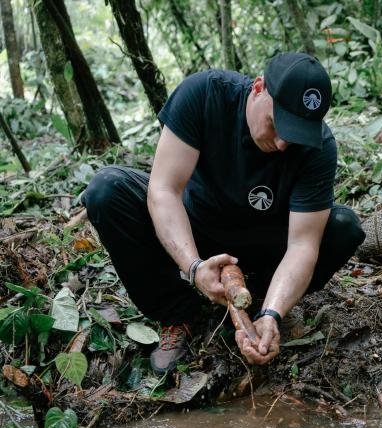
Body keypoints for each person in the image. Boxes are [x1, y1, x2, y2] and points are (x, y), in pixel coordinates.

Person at [82, 53, 365, 373]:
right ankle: (179, 314)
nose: (284, 143)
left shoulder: (319, 147)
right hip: (198, 226)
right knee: (106, 190)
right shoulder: (204, 95)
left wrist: (273, 313)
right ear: (258, 88)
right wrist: (193, 266)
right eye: (277, 125)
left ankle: (261, 299)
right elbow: (164, 191)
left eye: (297, 132)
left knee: (342, 226)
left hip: (267, 244)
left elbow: (302, 245)